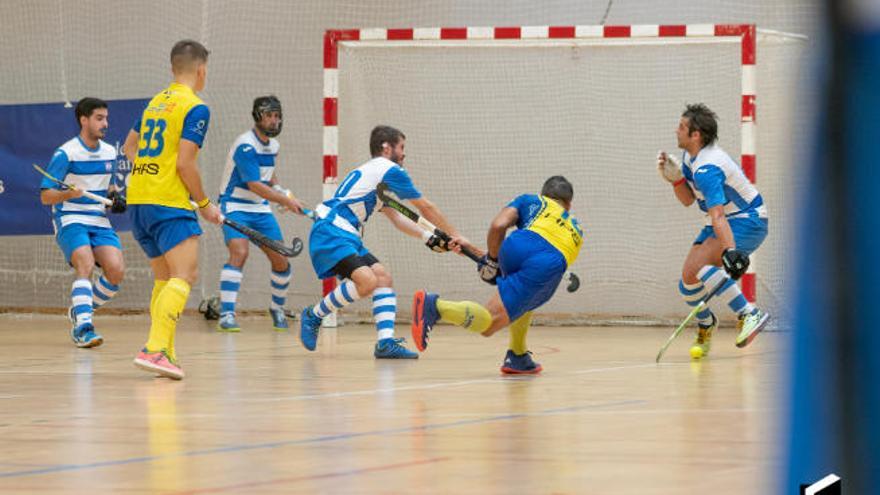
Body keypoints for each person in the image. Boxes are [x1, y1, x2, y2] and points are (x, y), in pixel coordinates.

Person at [300, 125, 463, 358]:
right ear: (386, 148)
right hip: (333, 230)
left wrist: (429, 237)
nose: (404, 153)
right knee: (367, 282)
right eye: (401, 147)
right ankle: (313, 314)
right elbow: (425, 207)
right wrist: (456, 235)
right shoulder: (389, 169)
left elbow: (397, 219)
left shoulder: (374, 176)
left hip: (346, 233)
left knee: (383, 278)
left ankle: (385, 343)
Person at [122, 40, 223, 380]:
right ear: (202, 71)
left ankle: (165, 350)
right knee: (185, 275)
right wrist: (206, 204)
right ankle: (153, 348)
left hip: (139, 199)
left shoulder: (154, 104)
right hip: (168, 202)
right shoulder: (196, 107)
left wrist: (151, 168)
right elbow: (185, 163)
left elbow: (129, 147)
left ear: (172, 68)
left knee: (164, 278)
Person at [411, 176, 583, 374]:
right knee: (489, 323)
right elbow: (537, 254)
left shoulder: (532, 200)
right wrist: (493, 263)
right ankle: (436, 307)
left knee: (526, 301)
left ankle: (518, 355)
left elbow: (498, 226)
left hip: (514, 246)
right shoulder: (577, 230)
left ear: (544, 194)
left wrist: (489, 259)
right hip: (547, 263)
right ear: (568, 204)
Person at [656, 103, 770, 359]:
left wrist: (729, 251)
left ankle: (749, 313)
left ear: (696, 135)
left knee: (702, 269)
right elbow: (687, 200)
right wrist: (675, 180)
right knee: (688, 281)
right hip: (724, 220)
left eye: (682, 127)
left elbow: (717, 213)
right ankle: (707, 324)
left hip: (747, 220)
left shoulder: (708, 168)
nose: (677, 130)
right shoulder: (690, 158)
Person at [39, 97, 126, 348]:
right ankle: (83, 327)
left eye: (106, 118)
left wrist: (115, 198)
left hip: (98, 220)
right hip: (70, 217)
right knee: (85, 264)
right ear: (83, 120)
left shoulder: (110, 152)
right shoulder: (66, 153)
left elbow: (108, 187)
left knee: (116, 271)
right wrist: (68, 194)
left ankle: (81, 310)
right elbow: (46, 196)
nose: (105, 123)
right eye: (99, 118)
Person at [215, 95, 306, 332]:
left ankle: (276, 308)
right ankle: (226, 314)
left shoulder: (274, 146)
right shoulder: (245, 145)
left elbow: (268, 178)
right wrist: (285, 199)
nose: (274, 121)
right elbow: (254, 184)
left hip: (260, 208)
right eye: (269, 115)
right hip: (234, 205)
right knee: (239, 252)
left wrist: (283, 193)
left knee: (281, 260)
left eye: (277, 116)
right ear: (258, 116)